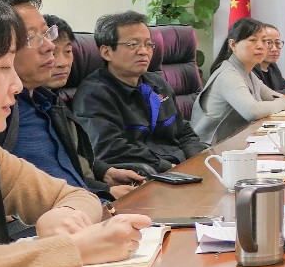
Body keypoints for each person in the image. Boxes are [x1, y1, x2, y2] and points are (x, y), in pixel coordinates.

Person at [0, 0, 150, 267]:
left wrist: (65, 213)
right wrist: (69, 249)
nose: (16, 85)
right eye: (5, 66)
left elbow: (73, 194)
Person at [0, 0, 146, 201]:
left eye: (46, 33)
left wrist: (104, 173)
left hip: (88, 207)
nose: (49, 46)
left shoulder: (48, 101)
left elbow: (66, 171)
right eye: (32, 37)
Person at [73, 11, 207, 174]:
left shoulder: (157, 84)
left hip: (181, 167)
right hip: (148, 175)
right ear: (106, 52)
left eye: (148, 44)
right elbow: (110, 149)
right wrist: (169, 169)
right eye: (133, 44)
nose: (144, 51)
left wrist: (197, 160)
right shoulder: (94, 95)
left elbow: (183, 130)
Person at [192, 17, 285, 145]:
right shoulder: (228, 75)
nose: (260, 46)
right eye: (253, 40)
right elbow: (252, 111)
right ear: (233, 45)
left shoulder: (247, 72)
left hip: (235, 143)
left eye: (264, 41)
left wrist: (284, 100)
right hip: (211, 149)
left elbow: (272, 96)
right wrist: (283, 103)